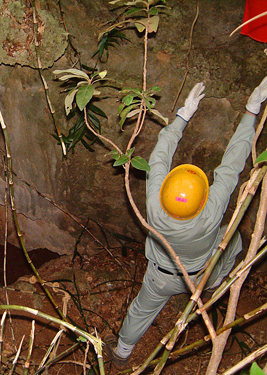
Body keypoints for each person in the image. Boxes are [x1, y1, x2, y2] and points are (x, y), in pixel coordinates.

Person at [104, 76, 267, 367]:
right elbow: (232, 164)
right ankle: (217, 287)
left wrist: (183, 115)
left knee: (141, 311)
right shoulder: (212, 210)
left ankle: (121, 354)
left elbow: (159, 157)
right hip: (203, 273)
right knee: (235, 242)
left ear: (165, 189)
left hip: (161, 278)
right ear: (203, 199)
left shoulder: (154, 205)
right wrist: (251, 112)